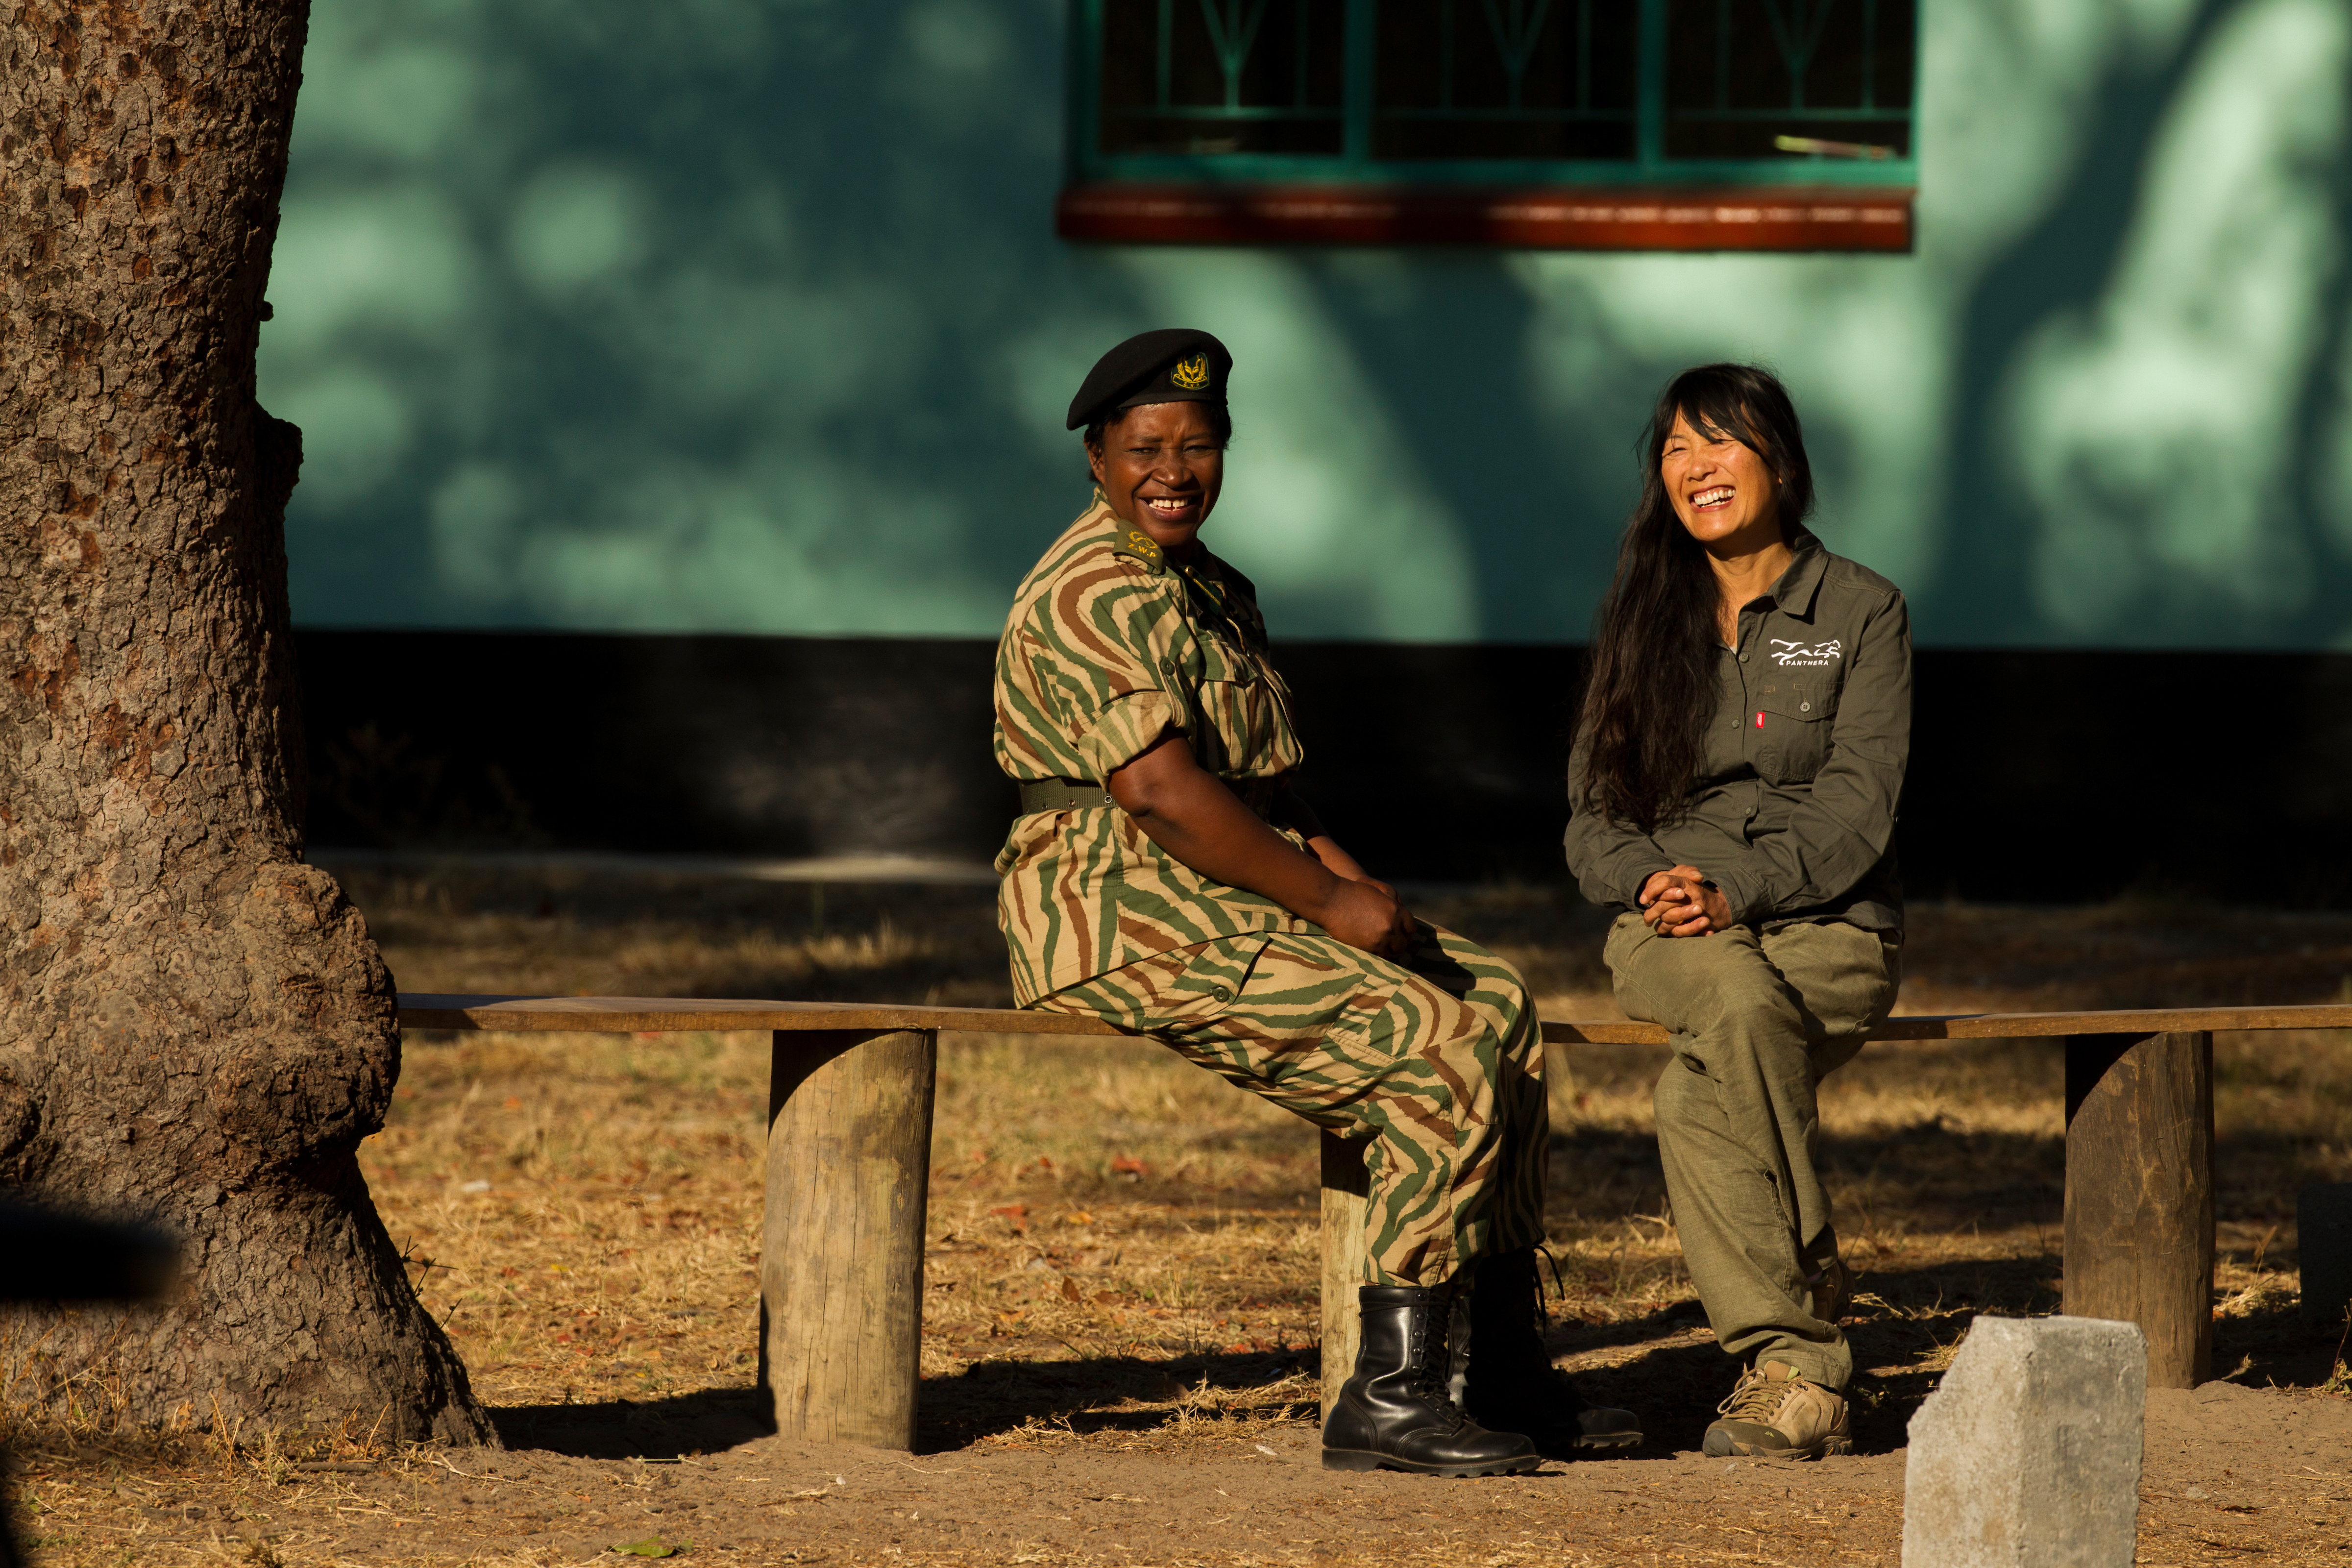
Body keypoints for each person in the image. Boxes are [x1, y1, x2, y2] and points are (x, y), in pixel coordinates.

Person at [993, 328, 1640, 1476]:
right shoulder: (1093, 589)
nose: (1173, 469)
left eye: (1200, 445)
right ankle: (1390, 1394)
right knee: (1429, 1047)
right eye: (1145, 447)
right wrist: (1328, 906)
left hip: (1231, 881)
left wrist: (1354, 889)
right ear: (1095, 457)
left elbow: (1269, 787)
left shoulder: (1208, 587)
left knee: (1493, 1003)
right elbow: (1159, 792)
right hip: (1119, 907)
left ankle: (1492, 1364)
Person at [1564, 364, 1909, 1461]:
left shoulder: (1861, 608)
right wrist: (1654, 883)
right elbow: (1592, 813)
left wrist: (1741, 888)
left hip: (1831, 925)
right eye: (1675, 448)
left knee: (1691, 1101)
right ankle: (1809, 1325)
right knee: (1732, 992)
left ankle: (1791, 1365)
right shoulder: (1641, 610)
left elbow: (1862, 807)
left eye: (1722, 441)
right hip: (1668, 924)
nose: (1696, 466)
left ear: (1781, 459)